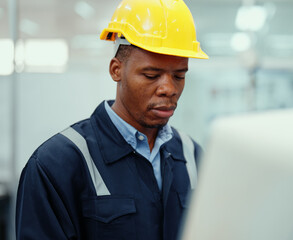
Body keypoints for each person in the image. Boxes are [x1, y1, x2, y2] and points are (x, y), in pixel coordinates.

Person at [15, 0, 208, 239]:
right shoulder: (56, 164)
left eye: (179, 76)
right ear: (116, 70)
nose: (168, 89)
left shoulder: (192, 156)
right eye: (151, 75)